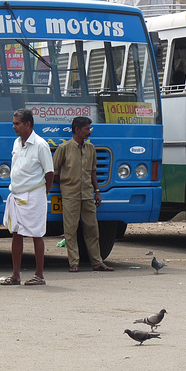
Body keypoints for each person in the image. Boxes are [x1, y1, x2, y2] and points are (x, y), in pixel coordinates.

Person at [52, 116, 114, 273]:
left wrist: (97, 191)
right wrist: (67, 183)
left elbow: (93, 171)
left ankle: (97, 262)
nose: (89, 131)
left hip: (87, 194)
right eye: (87, 129)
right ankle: (74, 262)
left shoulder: (91, 148)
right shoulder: (63, 148)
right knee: (70, 230)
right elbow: (54, 172)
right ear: (77, 130)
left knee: (92, 229)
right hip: (70, 195)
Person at [1, 109, 54, 286]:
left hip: (35, 195)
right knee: (16, 233)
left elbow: (50, 173)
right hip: (16, 195)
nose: (14, 126)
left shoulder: (40, 145)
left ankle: (39, 275)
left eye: (17, 123)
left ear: (28, 124)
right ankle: (16, 275)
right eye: (14, 123)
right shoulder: (17, 142)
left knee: (36, 234)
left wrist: (43, 193)